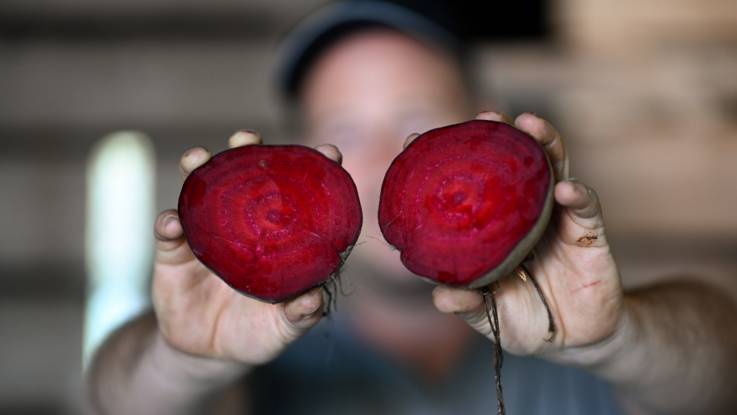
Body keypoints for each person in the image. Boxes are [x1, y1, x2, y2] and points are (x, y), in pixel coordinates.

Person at [88, 1, 737, 414]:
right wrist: (186, 361)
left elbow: (719, 371)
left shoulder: (570, 331)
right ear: (300, 154)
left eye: (416, 119)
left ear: (484, 126)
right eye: (344, 125)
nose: (378, 156)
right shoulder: (256, 353)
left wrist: (619, 336)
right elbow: (116, 396)